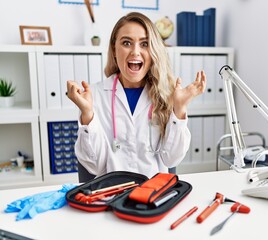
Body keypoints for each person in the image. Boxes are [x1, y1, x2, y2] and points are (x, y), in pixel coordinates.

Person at [67, 12, 206, 179]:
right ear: (114, 49)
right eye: (126, 43)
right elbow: (94, 166)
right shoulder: (93, 96)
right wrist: (87, 114)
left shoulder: (167, 95)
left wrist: (180, 109)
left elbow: (171, 159)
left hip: (153, 196)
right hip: (111, 195)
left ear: (153, 50)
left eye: (145, 44)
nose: (135, 52)